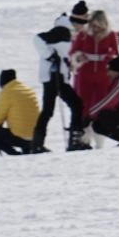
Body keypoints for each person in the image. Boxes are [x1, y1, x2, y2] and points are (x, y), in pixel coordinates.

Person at [30, 22, 81, 152]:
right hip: (57, 78)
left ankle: (37, 144)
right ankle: (74, 141)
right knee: (77, 105)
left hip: (48, 78)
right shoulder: (64, 41)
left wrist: (50, 56)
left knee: (47, 111)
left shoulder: (47, 45)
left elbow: (38, 39)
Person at [69, 10, 119, 123]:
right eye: (93, 25)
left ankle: (99, 130)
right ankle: (84, 130)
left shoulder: (110, 34)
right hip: (85, 72)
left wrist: (110, 55)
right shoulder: (83, 33)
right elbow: (73, 52)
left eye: (98, 26)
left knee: (102, 103)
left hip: (104, 74)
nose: (95, 29)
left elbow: (116, 53)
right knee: (84, 104)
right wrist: (78, 57)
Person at [0, 69, 39, 155]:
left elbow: (0, 117)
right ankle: (28, 149)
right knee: (22, 124)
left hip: (20, 137)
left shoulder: (7, 92)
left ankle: (14, 153)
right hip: (36, 137)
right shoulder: (29, 90)